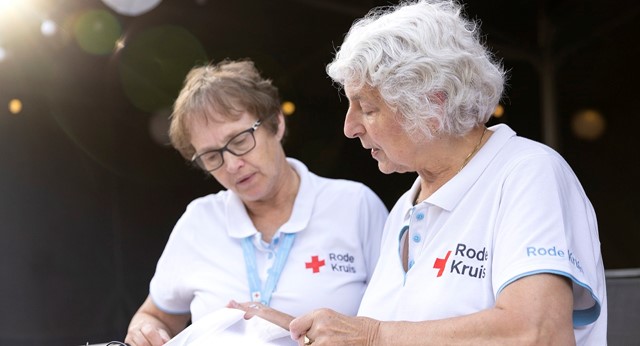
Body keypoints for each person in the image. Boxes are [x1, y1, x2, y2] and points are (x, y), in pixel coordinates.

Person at [233, 1, 607, 345]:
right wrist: (303, 331)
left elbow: (539, 332)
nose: (350, 127)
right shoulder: (405, 207)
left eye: (366, 107)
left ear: (433, 102)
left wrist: (372, 335)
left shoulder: (527, 172)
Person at [123, 59, 388, 346]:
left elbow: (394, 322)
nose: (232, 164)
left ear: (276, 123)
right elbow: (156, 315)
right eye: (212, 156)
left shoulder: (355, 206)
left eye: (239, 141)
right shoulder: (199, 221)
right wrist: (145, 331)